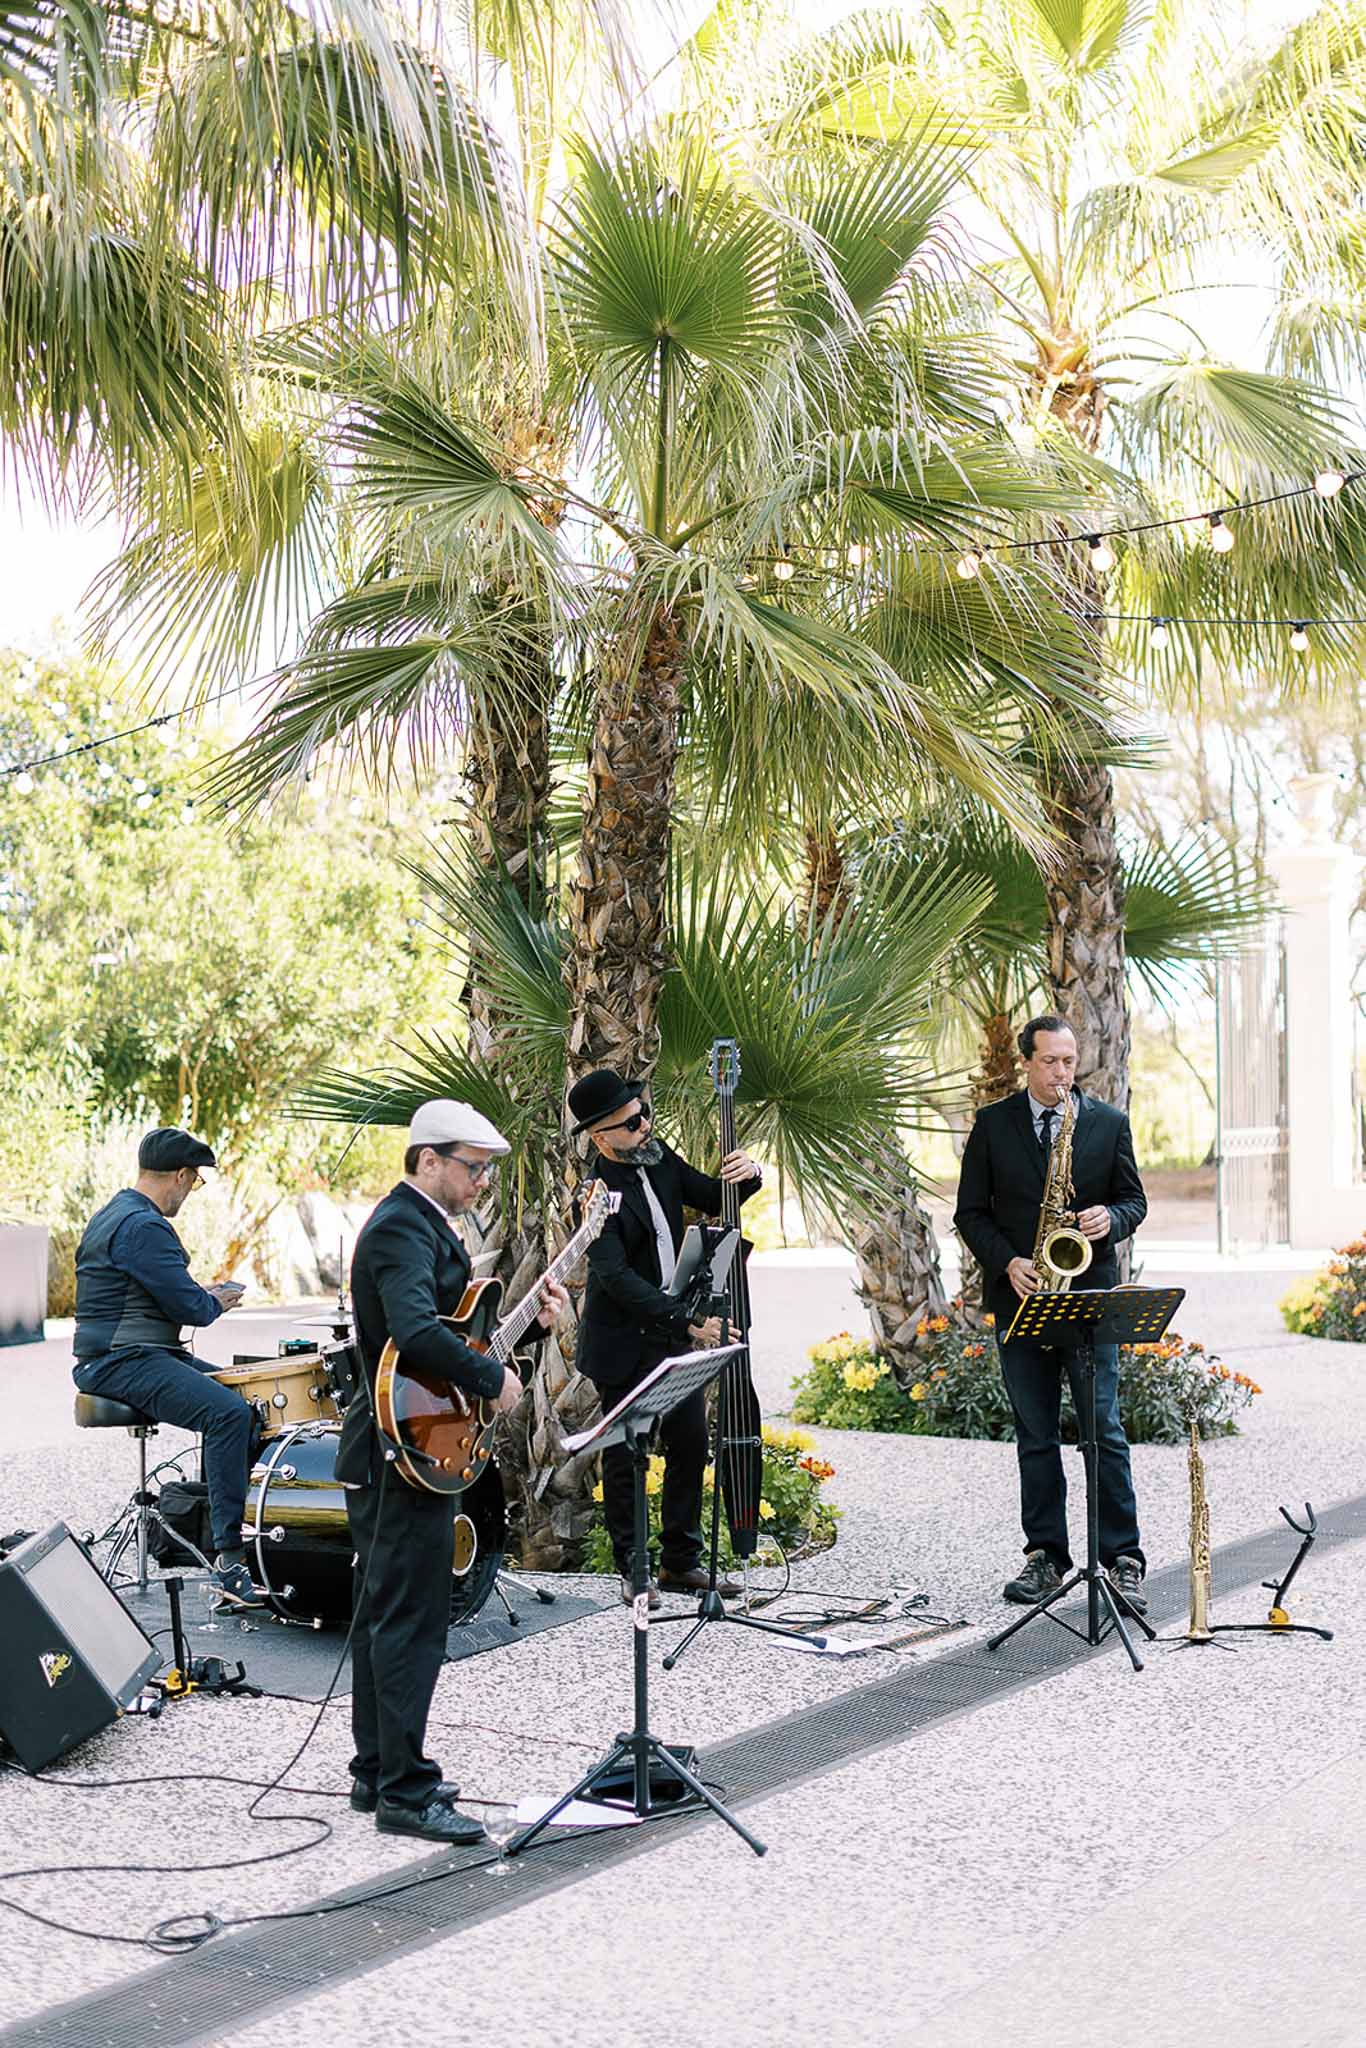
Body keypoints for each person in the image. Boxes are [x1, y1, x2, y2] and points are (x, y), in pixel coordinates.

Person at [336, 1098, 568, 1846]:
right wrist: (489, 1375)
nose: (480, 1184)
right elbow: (415, 1332)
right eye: (472, 1168)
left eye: (485, 1172)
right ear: (427, 1160)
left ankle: (378, 1774)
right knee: (410, 1623)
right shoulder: (403, 1225)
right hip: (401, 1453)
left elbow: (458, 1329)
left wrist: (528, 1325)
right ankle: (406, 1791)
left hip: (408, 1444)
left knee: (388, 1618)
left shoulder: (426, 1225)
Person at [953, 1016, 1150, 1613]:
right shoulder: (992, 1126)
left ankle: (1123, 1559)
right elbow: (970, 1214)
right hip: (1022, 1299)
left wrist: (1108, 1221)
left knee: (1104, 1432)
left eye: (1070, 1061)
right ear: (1027, 1063)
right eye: (1051, 1062)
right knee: (1035, 1436)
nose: (1063, 1073)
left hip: (1088, 1302)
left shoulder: (1107, 1124)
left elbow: (1133, 1200)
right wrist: (1008, 1261)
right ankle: (1046, 1556)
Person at [568, 1068, 762, 1608]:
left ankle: (683, 1563)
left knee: (690, 1442)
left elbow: (716, 1196)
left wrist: (749, 1175)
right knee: (628, 1456)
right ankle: (635, 1569)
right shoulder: (593, 1196)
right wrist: (688, 1322)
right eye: (631, 1124)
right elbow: (615, 1278)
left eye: (644, 1114)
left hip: (672, 1335)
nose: (644, 1126)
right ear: (600, 1137)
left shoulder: (660, 1158)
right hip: (625, 1343)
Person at [72, 1127, 256, 1608]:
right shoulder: (144, 1226)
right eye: (194, 1182)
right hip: (120, 1362)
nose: (189, 1193)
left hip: (131, 1356)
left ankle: (210, 1524)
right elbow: (190, 1308)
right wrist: (217, 1301)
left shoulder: (115, 1213)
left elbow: (169, 1295)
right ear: (179, 1175)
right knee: (230, 1414)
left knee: (244, 1399)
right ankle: (230, 1559)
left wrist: (202, 1298)